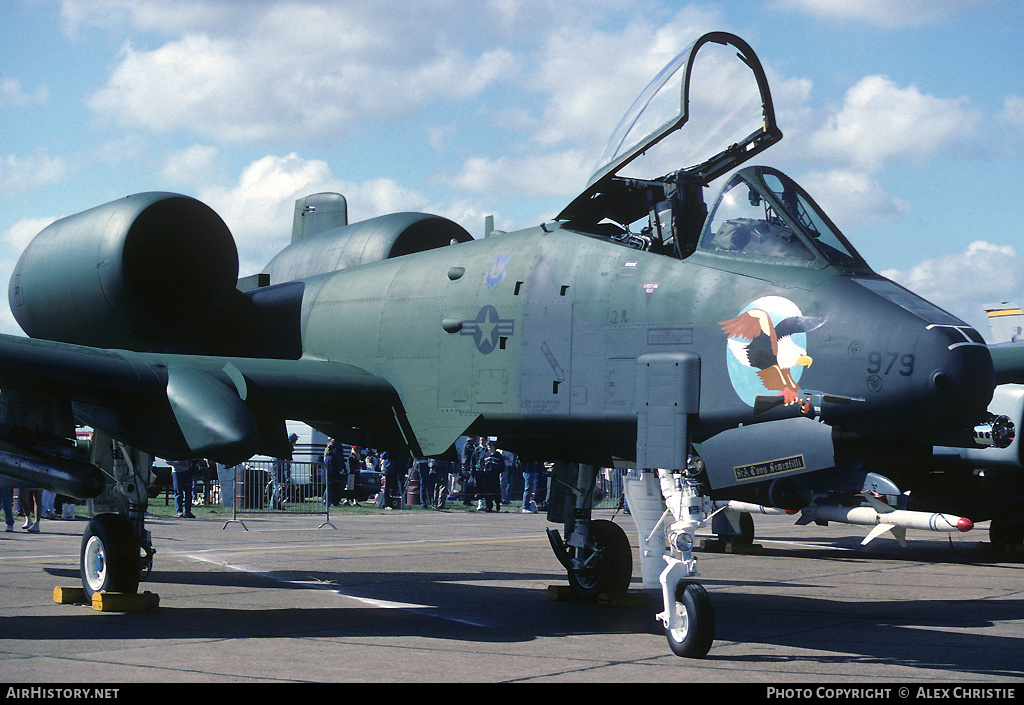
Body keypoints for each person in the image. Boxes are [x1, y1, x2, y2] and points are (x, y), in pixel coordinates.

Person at [479, 439, 506, 512]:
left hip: (495, 476)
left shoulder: (498, 456)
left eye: (491, 447)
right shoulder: (485, 455)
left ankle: (497, 504)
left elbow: (502, 466)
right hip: (487, 476)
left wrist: (498, 471)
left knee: (496, 491)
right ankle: (489, 506)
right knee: (488, 491)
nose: (489, 448)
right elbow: (481, 465)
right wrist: (483, 469)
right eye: (488, 447)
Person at [273, 433, 298, 510]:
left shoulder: (283, 446)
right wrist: (287, 476)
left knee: (278, 486)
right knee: (278, 486)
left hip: (277, 467)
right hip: (278, 468)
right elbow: (286, 464)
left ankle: (275, 504)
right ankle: (274, 505)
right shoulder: (287, 448)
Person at [322, 438, 343, 507]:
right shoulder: (331, 458)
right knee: (330, 490)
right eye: (334, 450)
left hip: (328, 477)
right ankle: (330, 502)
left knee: (328, 489)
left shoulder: (329, 458)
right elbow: (332, 468)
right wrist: (336, 476)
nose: (335, 451)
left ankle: (326, 500)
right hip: (330, 477)